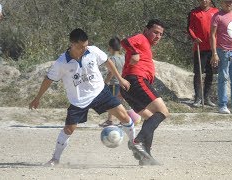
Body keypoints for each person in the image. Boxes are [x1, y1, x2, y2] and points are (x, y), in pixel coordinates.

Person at [29, 28, 149, 166]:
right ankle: (55, 159)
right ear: (72, 44)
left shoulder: (92, 51)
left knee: (125, 117)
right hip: (79, 100)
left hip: (100, 92)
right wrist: (37, 98)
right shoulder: (62, 62)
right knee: (69, 129)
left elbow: (107, 61)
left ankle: (135, 144)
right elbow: (48, 79)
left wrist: (120, 79)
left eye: (86, 45)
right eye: (81, 47)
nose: (84, 49)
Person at [120, 19, 169, 165]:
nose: (158, 36)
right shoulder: (141, 38)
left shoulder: (145, 45)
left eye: (160, 34)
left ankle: (145, 157)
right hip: (137, 80)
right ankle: (138, 141)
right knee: (163, 112)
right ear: (146, 30)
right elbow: (125, 41)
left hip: (130, 85)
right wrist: (134, 52)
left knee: (150, 117)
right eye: (155, 32)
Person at [99, 37, 141, 127]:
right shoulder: (123, 58)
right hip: (124, 83)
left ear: (110, 47)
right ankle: (126, 119)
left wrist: (105, 82)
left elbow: (111, 73)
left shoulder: (112, 59)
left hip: (114, 84)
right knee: (120, 102)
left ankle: (110, 120)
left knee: (112, 103)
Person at [187, 0, 218, 107]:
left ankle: (207, 97)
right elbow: (190, 28)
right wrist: (194, 38)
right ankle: (198, 97)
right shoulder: (194, 12)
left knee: (210, 73)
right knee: (198, 73)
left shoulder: (216, 11)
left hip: (213, 48)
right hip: (199, 48)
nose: (204, 0)